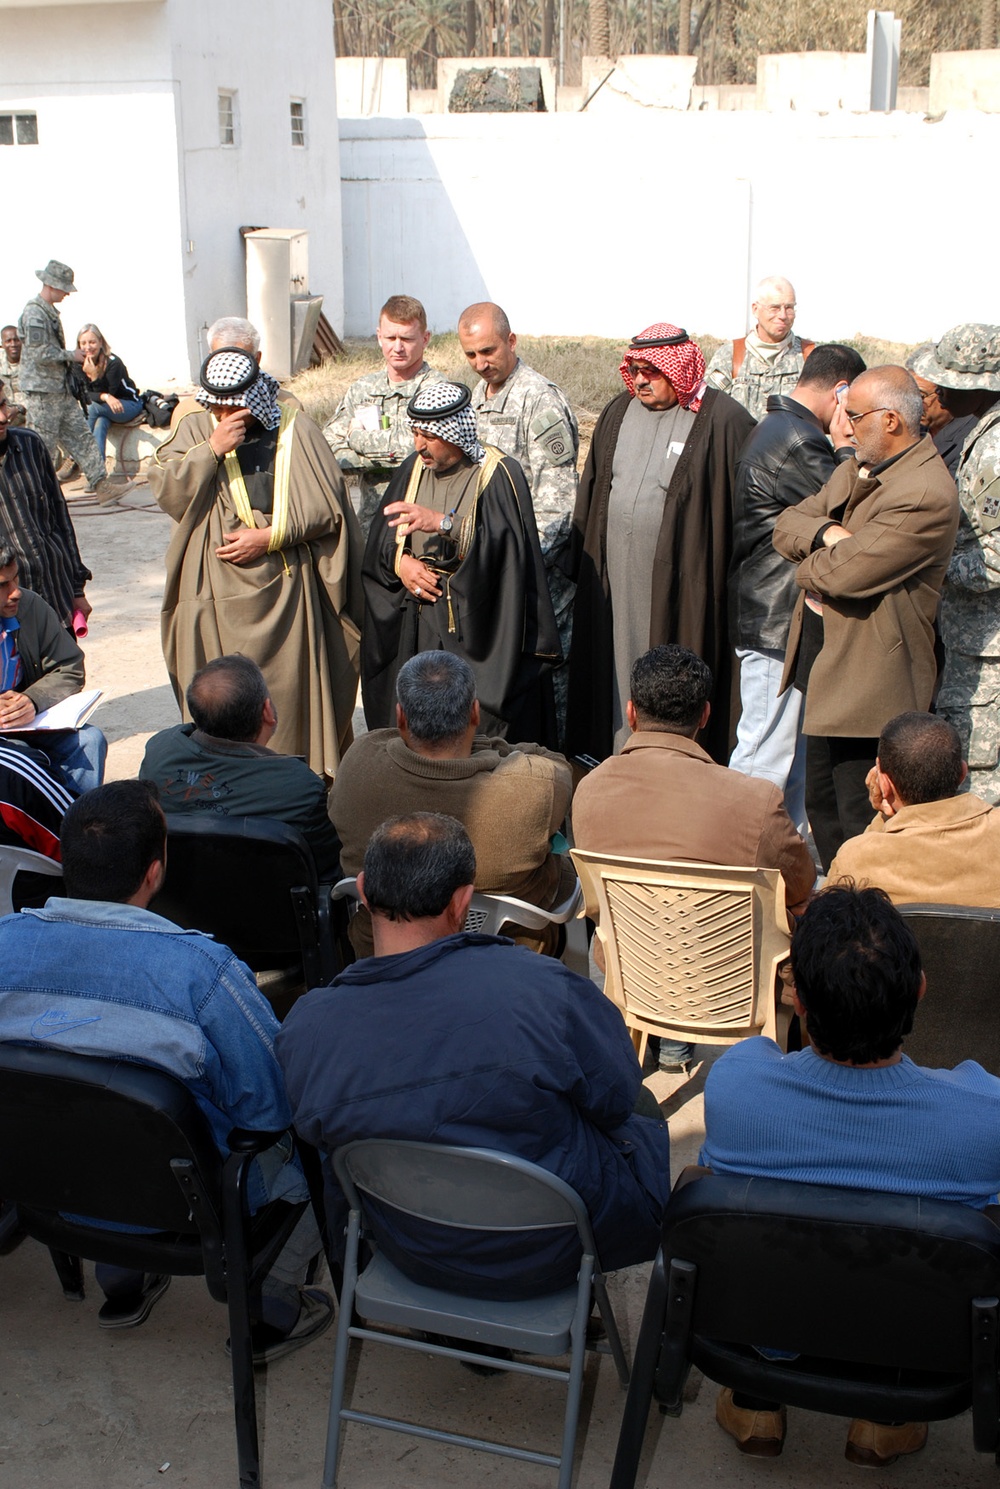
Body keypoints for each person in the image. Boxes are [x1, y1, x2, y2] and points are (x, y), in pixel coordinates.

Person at [276, 811, 673, 1296]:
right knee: (641, 1110)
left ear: (361, 890)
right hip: (552, 1251)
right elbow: (614, 1098)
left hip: (407, 1245)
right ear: (463, 902)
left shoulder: (308, 1027)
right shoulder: (545, 991)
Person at [0, 780, 333, 1357]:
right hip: (189, 1198)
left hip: (50, 1188)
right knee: (326, 1132)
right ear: (154, 872)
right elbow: (271, 1105)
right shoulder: (201, 972)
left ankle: (121, 1277)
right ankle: (272, 1301)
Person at [701, 884, 1000, 1466]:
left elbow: (758, 1053)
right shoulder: (983, 1118)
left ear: (803, 1006)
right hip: (917, 1348)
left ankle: (757, 1401)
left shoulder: (735, 1088)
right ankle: (884, 1420)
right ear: (919, 991)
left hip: (768, 1330)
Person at [572, 645, 815, 1072]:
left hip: (635, 975)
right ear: (705, 716)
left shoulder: (590, 790)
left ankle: (656, 1044)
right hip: (734, 987)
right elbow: (800, 885)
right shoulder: (753, 801)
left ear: (631, 713)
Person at [773, 365, 959, 871]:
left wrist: (814, 556)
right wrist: (831, 536)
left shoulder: (922, 492)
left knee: (862, 825)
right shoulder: (863, 465)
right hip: (830, 666)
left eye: (854, 415)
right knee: (824, 813)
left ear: (892, 419)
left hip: (870, 683)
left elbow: (842, 577)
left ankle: (868, 937)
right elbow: (787, 524)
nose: (843, 425)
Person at [148, 343, 362, 781]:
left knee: (288, 706)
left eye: (235, 405)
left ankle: (294, 783)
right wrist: (211, 449)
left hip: (286, 597)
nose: (227, 414)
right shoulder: (194, 429)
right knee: (222, 695)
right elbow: (168, 491)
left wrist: (271, 536)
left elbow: (329, 506)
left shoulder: (292, 427)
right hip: (213, 593)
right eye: (218, 405)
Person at [566, 322, 753, 763]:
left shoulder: (723, 420)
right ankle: (613, 762)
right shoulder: (617, 412)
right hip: (616, 586)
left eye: (654, 369)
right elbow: (593, 491)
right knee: (612, 672)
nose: (643, 380)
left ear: (681, 368)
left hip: (681, 588)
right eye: (636, 369)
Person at [331, 650, 573, 958]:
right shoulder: (532, 787)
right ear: (475, 713)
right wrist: (488, 747)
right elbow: (556, 765)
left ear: (401, 716)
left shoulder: (357, 764)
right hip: (503, 965)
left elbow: (382, 739)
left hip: (379, 959)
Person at [360, 380, 560, 746]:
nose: (420, 445)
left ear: (456, 431)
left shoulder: (497, 473)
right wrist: (400, 561)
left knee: (472, 729)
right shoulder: (413, 468)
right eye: (416, 433)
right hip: (417, 620)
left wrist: (443, 524)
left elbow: (508, 554)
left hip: (475, 623)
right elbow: (382, 536)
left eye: (430, 435)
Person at [729, 344, 865, 834]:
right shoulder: (800, 441)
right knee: (765, 758)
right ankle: (734, 868)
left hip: (775, 616)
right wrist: (848, 445)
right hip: (776, 622)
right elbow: (848, 513)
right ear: (842, 391)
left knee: (782, 761)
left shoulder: (779, 429)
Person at [458, 301, 578, 733]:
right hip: (493, 573)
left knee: (547, 691)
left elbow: (558, 502)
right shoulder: (474, 399)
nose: (480, 363)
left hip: (535, 577)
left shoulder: (538, 401)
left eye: (488, 351)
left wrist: (516, 568)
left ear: (511, 341)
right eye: (470, 355)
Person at [139, 654, 341, 880]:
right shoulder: (300, 788)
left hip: (175, 907)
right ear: (267, 711)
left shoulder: (158, 755)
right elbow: (328, 869)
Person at [910, 326, 1000, 804]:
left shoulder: (993, 447)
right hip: (975, 636)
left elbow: (996, 559)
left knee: (980, 781)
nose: (938, 393)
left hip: (987, 647)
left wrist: (935, 566)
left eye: (948, 383)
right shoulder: (984, 430)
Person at [828, 711, 1000, 906]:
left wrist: (883, 817)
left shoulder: (856, 859)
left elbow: (828, 923)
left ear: (884, 783)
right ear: (962, 773)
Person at [323, 294, 444, 537]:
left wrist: (358, 439)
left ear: (425, 338)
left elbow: (422, 450)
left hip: (424, 527)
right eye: (390, 338)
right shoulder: (363, 389)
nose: (397, 347)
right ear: (379, 336)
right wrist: (388, 454)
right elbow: (329, 448)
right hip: (371, 526)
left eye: (407, 339)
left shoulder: (438, 391)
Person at [17, 260, 129, 504]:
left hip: (59, 390)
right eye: (64, 288)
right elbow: (39, 353)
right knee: (42, 445)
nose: (67, 293)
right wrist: (72, 355)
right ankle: (34, 498)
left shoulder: (47, 312)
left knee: (82, 436)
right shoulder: (35, 313)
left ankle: (102, 485)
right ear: (51, 285)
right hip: (42, 393)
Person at [0, 553, 105, 794]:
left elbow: (69, 666)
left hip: (23, 724)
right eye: (3, 585)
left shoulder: (29, 606)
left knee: (90, 740)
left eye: (16, 579)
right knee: (22, 761)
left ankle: (76, 825)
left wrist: (33, 700)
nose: (15, 592)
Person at [0, 378, 93, 628]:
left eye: (3, 405)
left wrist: (76, 589)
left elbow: (60, 519)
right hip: (10, 612)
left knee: (68, 665)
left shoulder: (30, 446)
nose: (3, 417)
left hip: (57, 597)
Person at [705, 276, 815, 422]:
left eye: (789, 308)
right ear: (755, 310)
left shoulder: (811, 357)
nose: (783, 315)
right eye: (774, 308)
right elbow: (708, 414)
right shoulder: (729, 357)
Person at [75, 323, 145, 468]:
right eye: (83, 343)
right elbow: (83, 394)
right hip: (105, 408)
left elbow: (109, 393)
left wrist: (94, 377)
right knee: (100, 422)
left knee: (92, 408)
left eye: (92, 342)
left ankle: (74, 456)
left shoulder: (114, 363)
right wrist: (105, 397)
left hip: (128, 404)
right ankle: (97, 473)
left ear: (101, 342)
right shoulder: (77, 365)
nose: (88, 347)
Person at [905, 342, 977, 478]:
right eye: (907, 394)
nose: (912, 404)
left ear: (946, 391)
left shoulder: (970, 439)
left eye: (920, 396)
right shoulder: (911, 428)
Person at [0, 325, 26, 426]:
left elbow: (42, 396)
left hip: (31, 414)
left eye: (16, 340)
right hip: (5, 414)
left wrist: (19, 408)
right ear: (2, 344)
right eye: (8, 341)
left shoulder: (34, 364)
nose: (13, 344)